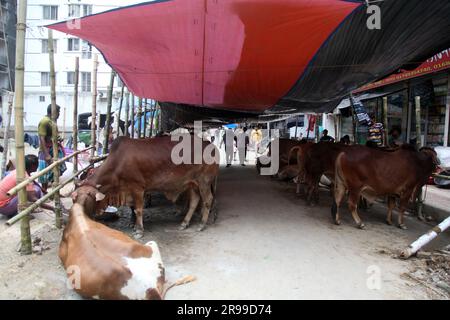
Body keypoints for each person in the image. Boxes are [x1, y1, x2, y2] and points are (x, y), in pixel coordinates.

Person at [38, 104, 67, 192]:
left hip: (54, 149)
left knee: (55, 172)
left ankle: (54, 192)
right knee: (45, 174)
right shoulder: (45, 121)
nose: (59, 114)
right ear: (54, 112)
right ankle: (44, 193)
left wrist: (58, 138)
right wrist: (46, 154)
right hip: (46, 150)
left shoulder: (51, 122)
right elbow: (42, 138)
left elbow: (51, 136)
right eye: (58, 112)